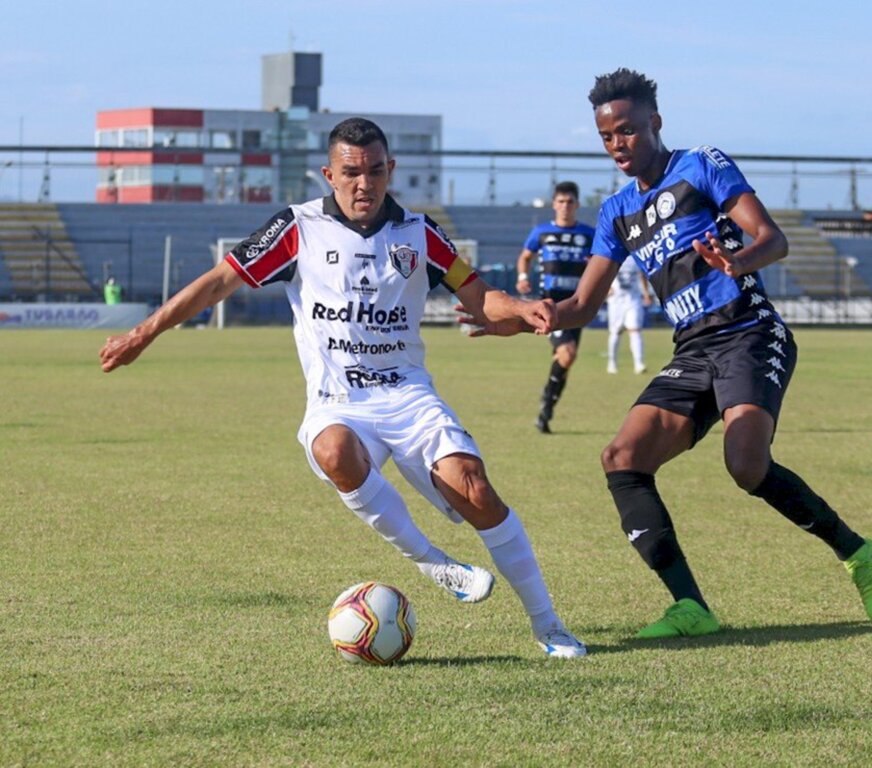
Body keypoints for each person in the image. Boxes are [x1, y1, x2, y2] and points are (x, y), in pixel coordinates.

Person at [99, 117, 586, 659]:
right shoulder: (297, 228)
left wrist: (520, 309)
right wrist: (146, 331)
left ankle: (549, 626)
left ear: (390, 170)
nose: (364, 184)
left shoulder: (419, 233)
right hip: (338, 402)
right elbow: (221, 280)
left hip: (407, 394)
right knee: (333, 449)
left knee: (474, 488)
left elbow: (478, 296)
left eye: (375, 171)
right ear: (330, 174)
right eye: (351, 172)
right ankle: (433, 562)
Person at [470, 69, 872, 638]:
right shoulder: (617, 212)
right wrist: (522, 321)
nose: (617, 145)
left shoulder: (701, 165)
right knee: (622, 458)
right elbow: (580, 304)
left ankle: (857, 552)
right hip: (693, 348)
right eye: (606, 137)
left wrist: (738, 262)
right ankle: (691, 607)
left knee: (745, 465)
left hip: (748, 330)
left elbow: (773, 238)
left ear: (655, 122)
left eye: (626, 131)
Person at [515, 181, 595, 434]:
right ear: (553, 205)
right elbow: (525, 257)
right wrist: (522, 277)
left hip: (577, 305)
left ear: (577, 205)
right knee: (568, 353)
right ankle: (547, 406)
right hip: (549, 305)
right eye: (560, 202)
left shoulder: (588, 234)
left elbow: (597, 263)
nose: (565, 207)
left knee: (565, 359)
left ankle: (546, 407)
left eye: (570, 202)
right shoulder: (541, 232)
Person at [605, 255, 652, 374]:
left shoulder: (636, 256)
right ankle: (612, 363)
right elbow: (603, 272)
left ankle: (639, 363)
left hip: (633, 298)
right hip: (616, 300)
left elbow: (642, 275)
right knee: (616, 332)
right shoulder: (613, 256)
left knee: (635, 330)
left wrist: (646, 293)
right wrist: (608, 287)